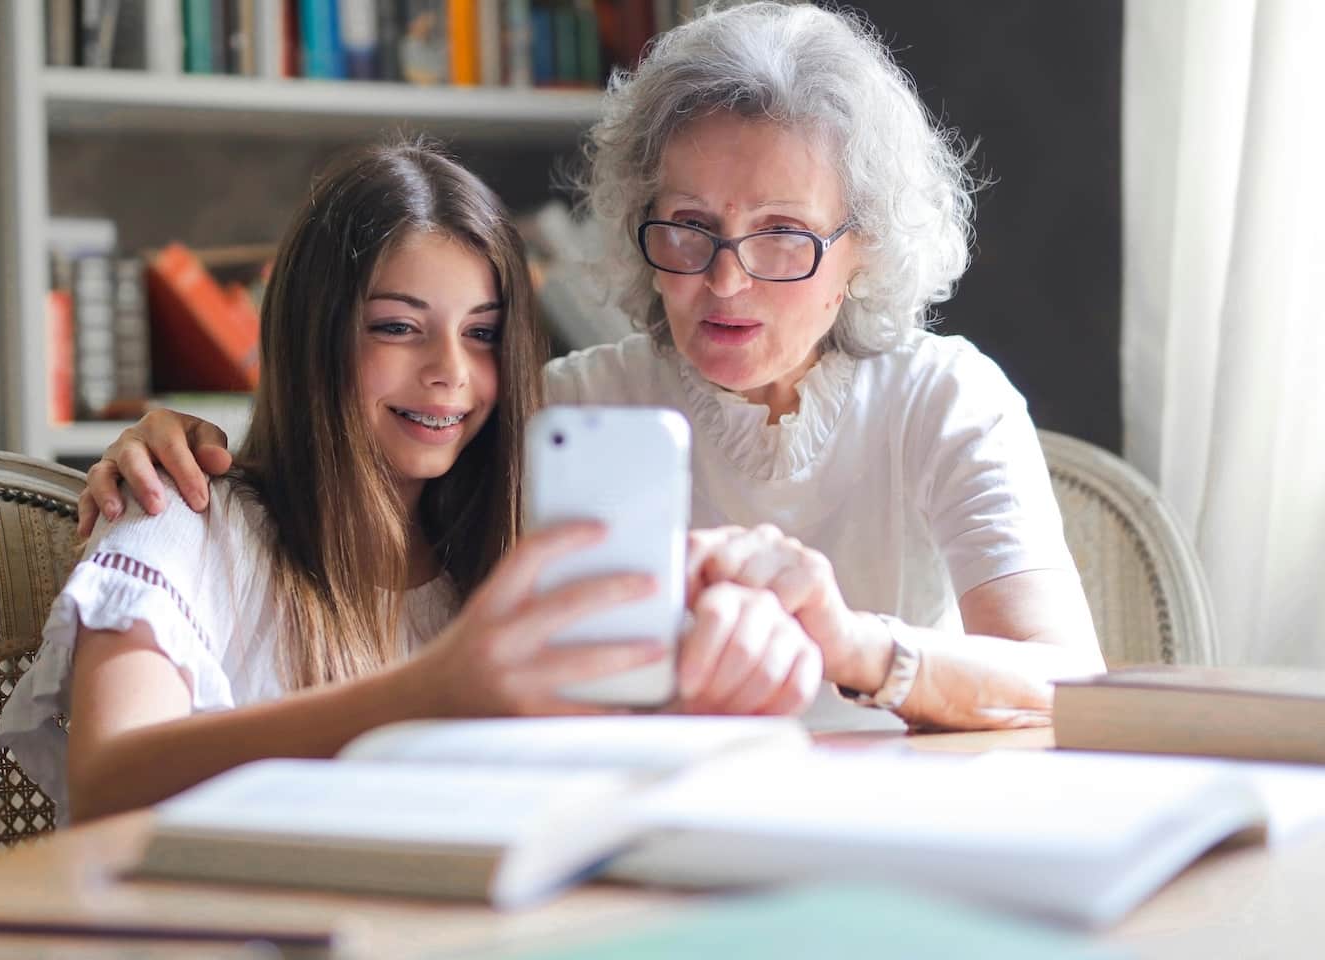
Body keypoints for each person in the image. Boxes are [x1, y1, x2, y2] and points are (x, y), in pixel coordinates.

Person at [79, 3, 1107, 733]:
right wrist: (176, 445)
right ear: (635, 220)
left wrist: (853, 646)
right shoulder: (564, 410)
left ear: (864, 249)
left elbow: (1068, 684)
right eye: (690, 228)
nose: (726, 282)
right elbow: (357, 488)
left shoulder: (943, 396)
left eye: (783, 236)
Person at [0, 141, 821, 825]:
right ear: (313, 336)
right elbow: (106, 781)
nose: (450, 375)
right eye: (398, 328)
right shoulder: (184, 518)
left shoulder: (501, 559)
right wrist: (429, 693)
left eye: (484, 335)